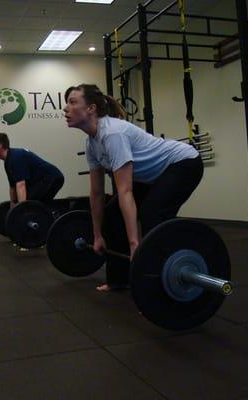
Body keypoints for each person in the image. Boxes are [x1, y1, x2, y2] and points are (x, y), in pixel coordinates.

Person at [63, 84, 203, 292]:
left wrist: (134, 243)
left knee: (153, 213)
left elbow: (125, 190)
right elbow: (96, 193)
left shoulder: (113, 134)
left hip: (182, 163)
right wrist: (97, 234)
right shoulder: (91, 143)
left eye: (73, 102)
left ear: (91, 108)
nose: (66, 108)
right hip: (153, 175)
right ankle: (119, 279)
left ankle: (160, 279)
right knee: (112, 215)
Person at [0, 132, 64, 208]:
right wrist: (13, 206)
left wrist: (20, 210)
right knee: (25, 201)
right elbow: (12, 186)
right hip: (42, 180)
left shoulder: (16, 157)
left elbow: (21, 185)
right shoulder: (7, 161)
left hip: (52, 178)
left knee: (29, 203)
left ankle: (53, 213)